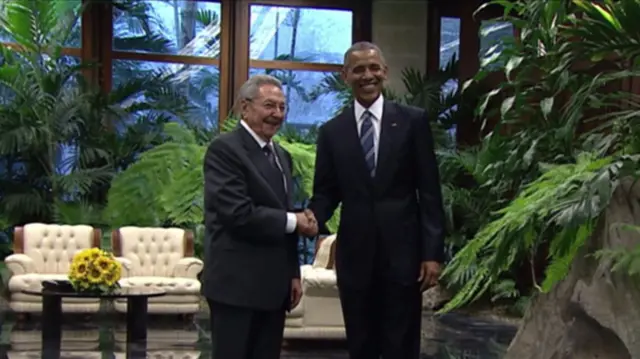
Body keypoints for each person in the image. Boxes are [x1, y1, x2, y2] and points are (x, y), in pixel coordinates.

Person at [306, 41, 446, 359]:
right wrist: (312, 217)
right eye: (358, 69)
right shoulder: (332, 132)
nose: (366, 75)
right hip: (355, 257)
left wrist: (432, 253)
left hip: (404, 256)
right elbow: (326, 192)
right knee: (361, 343)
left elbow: (429, 191)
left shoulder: (412, 121)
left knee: (401, 344)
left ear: (384, 71)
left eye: (373, 68)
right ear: (345, 76)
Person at [201, 74, 318, 359]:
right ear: (245, 107)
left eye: (281, 107)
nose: (276, 114)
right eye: (269, 106)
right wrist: (295, 221)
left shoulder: (281, 155)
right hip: (236, 286)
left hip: (274, 288)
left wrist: (293, 274)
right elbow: (238, 214)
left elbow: (282, 211)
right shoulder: (225, 149)